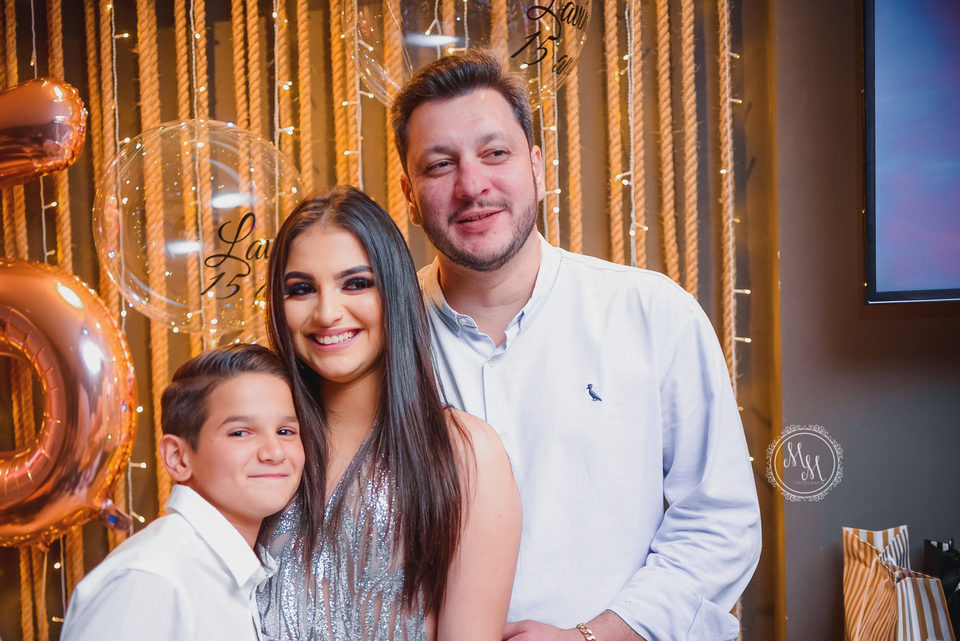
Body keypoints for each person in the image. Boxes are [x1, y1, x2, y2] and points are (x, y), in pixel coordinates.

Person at [390, 49, 763, 641]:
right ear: (409, 195)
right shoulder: (380, 343)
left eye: (495, 153)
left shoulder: (652, 314)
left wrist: (594, 637)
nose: (472, 185)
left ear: (537, 167)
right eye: (440, 165)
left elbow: (718, 523)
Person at [257, 185, 521, 641]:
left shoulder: (464, 452)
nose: (327, 312)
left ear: (395, 290)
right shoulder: (261, 447)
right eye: (301, 289)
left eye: (356, 283)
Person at [61, 344, 304, 641]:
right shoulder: (151, 580)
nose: (274, 452)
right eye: (240, 432)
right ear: (178, 457)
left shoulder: (248, 572)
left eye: (285, 432)